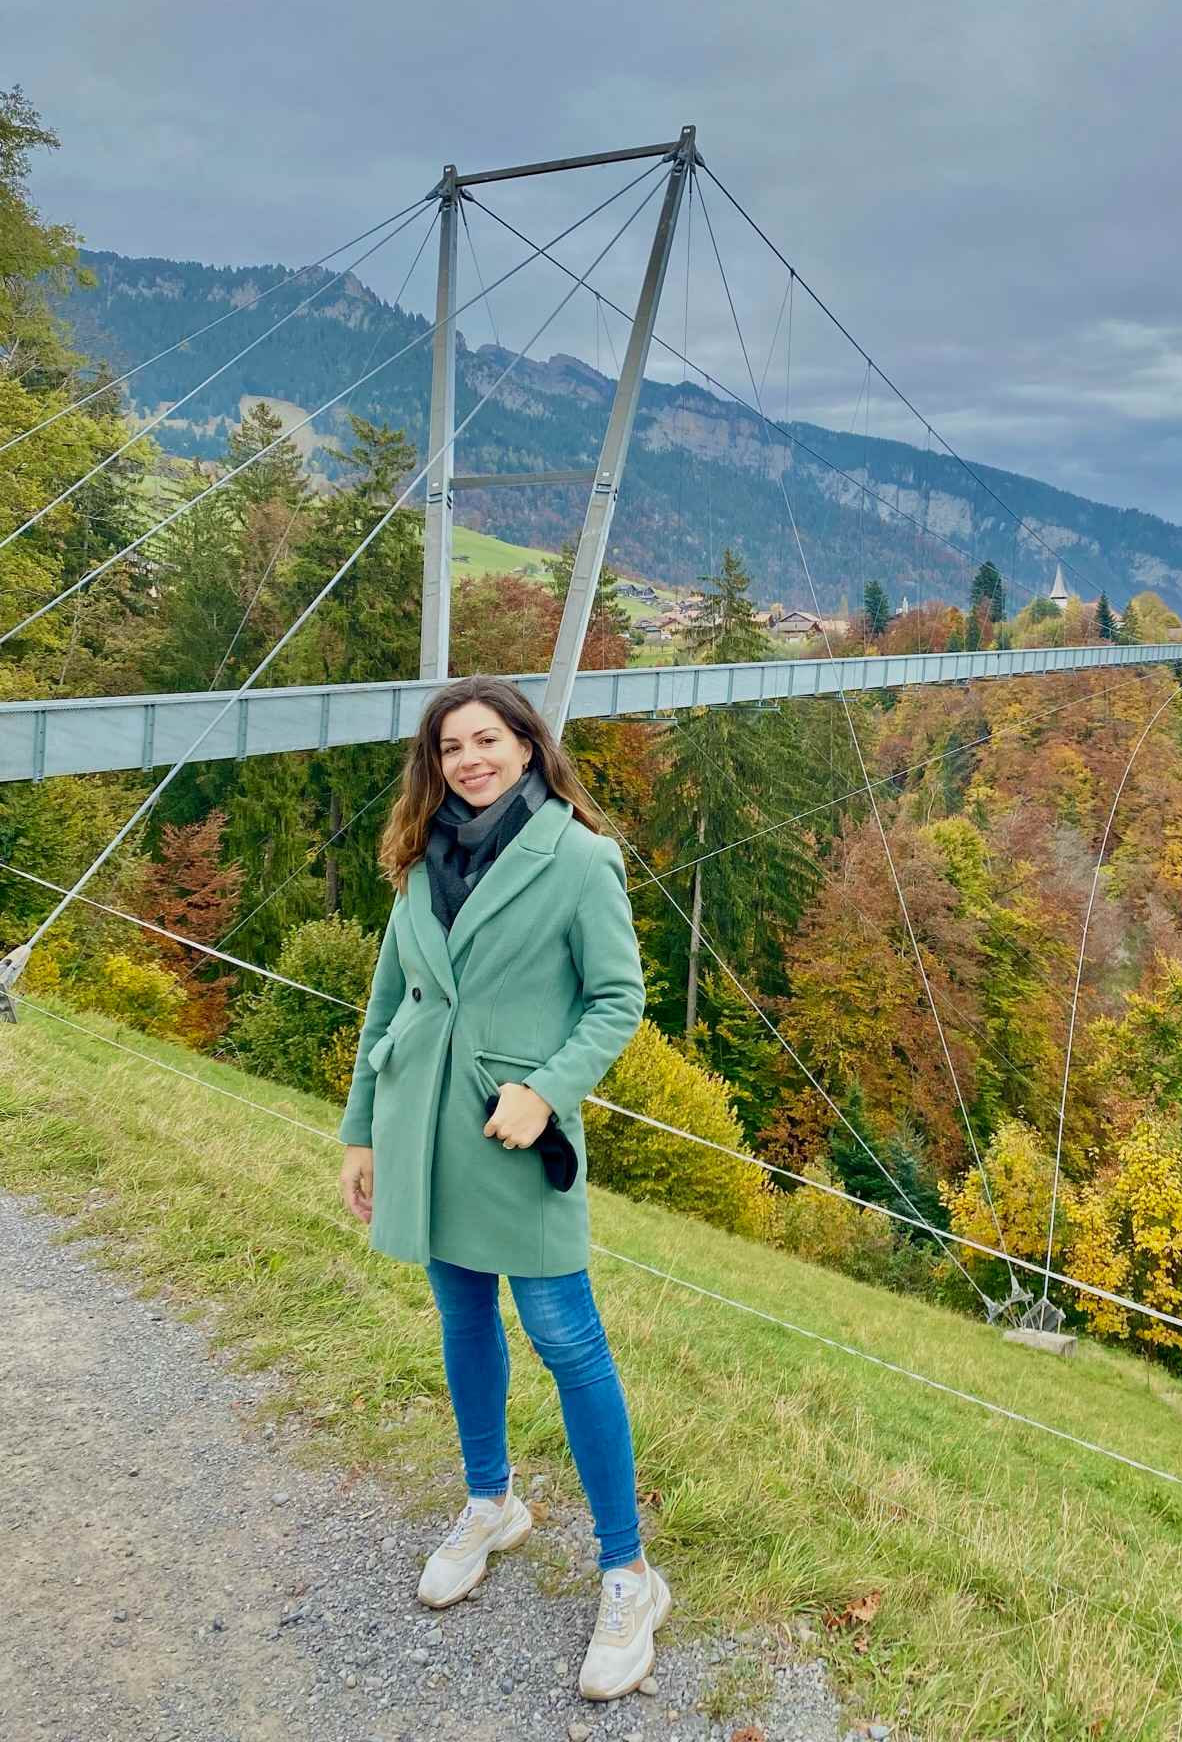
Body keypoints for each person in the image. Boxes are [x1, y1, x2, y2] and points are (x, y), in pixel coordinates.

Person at [336, 674, 664, 1702]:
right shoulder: (417, 864)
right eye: (450, 746)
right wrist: (360, 1129)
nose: (469, 758)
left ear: (527, 744)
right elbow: (388, 998)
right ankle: (492, 1503)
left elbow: (618, 997)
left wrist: (548, 1090)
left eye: (488, 738)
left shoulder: (579, 857)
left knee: (567, 1334)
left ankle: (628, 1571)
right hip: (420, 1127)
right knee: (462, 1316)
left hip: (512, 1134)